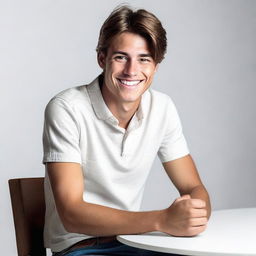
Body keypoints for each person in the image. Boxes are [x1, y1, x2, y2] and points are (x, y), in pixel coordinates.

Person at [42, 5, 211, 256]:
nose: (132, 71)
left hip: (135, 241)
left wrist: (194, 213)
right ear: (102, 59)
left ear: (155, 66)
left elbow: (194, 188)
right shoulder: (67, 108)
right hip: (81, 247)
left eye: (144, 59)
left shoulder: (162, 108)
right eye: (121, 57)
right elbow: (71, 214)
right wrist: (162, 220)